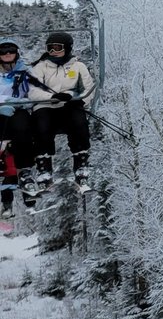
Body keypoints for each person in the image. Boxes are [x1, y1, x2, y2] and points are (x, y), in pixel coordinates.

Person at [29, 31, 95, 186]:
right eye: (50, 48)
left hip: (69, 105)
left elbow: (89, 88)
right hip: (46, 105)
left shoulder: (78, 66)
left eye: (57, 48)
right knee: (41, 125)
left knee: (79, 122)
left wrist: (79, 101)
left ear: (68, 48)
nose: (53, 52)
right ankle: (44, 167)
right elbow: (32, 91)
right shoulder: (41, 67)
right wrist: (51, 98)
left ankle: (81, 162)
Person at [0, 39, 36, 214]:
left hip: (18, 110)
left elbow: (35, 91)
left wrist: (23, 102)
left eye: (11, 51)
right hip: (1, 112)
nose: (7, 54)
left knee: (22, 129)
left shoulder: (24, 72)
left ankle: (25, 172)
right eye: (3, 51)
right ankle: (7, 195)